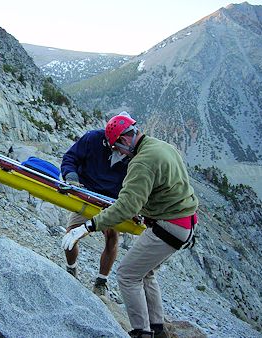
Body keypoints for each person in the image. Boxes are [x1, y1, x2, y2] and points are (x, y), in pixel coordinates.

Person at [62, 114, 198, 338]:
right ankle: (157, 329)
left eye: (118, 148)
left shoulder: (142, 162)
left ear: (125, 141)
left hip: (168, 226)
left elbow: (126, 206)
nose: (120, 154)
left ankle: (140, 332)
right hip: (183, 223)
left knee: (127, 275)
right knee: (145, 274)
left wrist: (89, 226)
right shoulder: (161, 146)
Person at [61, 113, 130, 299]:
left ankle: (101, 282)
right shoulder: (93, 139)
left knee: (112, 238)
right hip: (87, 194)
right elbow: (70, 158)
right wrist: (71, 176)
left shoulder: (134, 153)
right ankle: (71, 269)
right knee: (70, 235)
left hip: (112, 202)